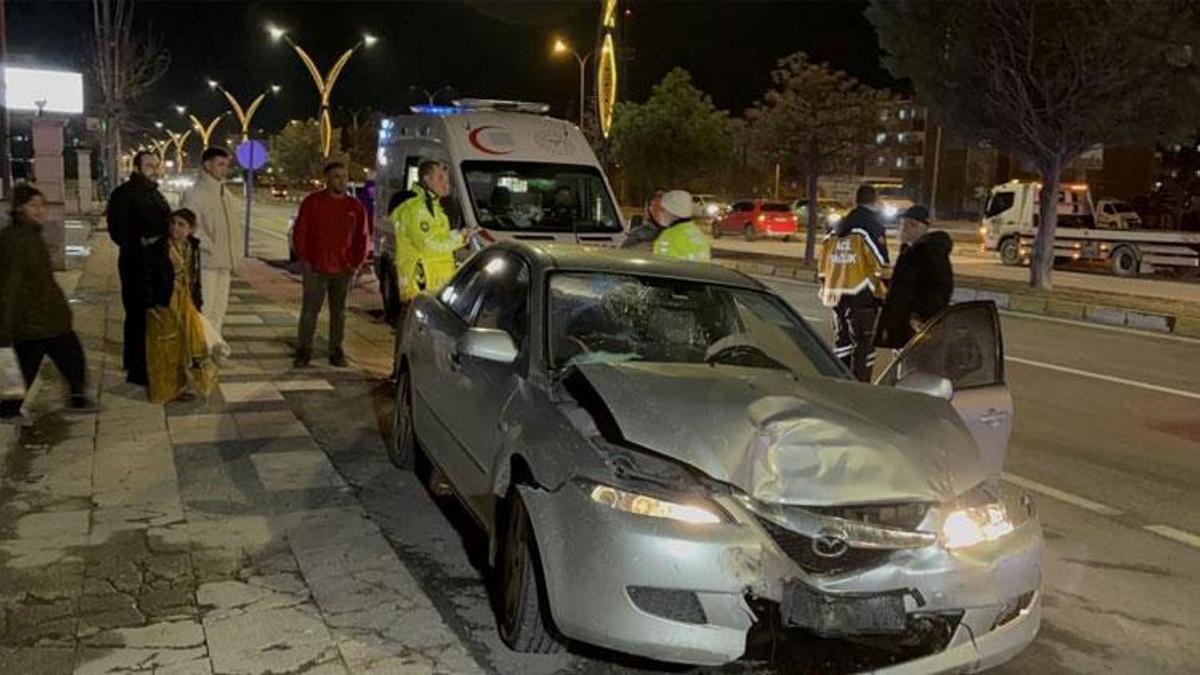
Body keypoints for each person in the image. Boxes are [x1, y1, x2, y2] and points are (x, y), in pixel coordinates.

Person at [0, 185, 95, 418]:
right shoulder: (16, 240)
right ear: (20, 207)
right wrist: (4, 328)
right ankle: (10, 408)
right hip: (34, 318)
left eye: (42, 205)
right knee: (53, 359)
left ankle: (75, 396)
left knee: (51, 361)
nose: (40, 210)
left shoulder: (30, 234)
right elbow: (10, 285)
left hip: (43, 315)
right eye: (34, 205)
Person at [292, 162, 370, 368]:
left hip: (343, 268)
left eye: (344, 176)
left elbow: (363, 237)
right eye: (336, 176)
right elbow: (300, 232)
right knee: (310, 310)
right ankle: (303, 350)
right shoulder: (312, 203)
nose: (342, 181)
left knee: (339, 311)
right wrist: (305, 260)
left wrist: (356, 263)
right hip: (315, 268)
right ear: (327, 179)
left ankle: (336, 350)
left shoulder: (355, 206)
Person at [105, 150, 171, 385]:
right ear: (136, 168)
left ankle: (135, 361)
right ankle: (138, 370)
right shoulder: (125, 194)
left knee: (146, 314)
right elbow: (117, 231)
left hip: (156, 262)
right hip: (136, 263)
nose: (154, 169)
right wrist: (142, 241)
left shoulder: (154, 193)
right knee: (138, 315)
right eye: (149, 165)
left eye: (156, 165)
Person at [817, 184, 890, 381]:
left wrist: (827, 286)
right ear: (874, 202)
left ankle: (841, 384)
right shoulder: (871, 227)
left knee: (842, 342)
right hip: (862, 296)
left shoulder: (835, 230)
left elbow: (822, 267)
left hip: (836, 296)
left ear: (856, 201)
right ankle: (861, 388)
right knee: (864, 344)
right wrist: (886, 292)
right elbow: (881, 264)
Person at [143, 209, 217, 403]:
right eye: (173, 223)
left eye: (181, 224)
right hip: (164, 303)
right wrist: (151, 304)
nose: (175, 228)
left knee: (184, 347)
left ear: (191, 229)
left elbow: (195, 277)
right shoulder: (158, 248)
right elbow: (147, 278)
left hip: (186, 302)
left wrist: (198, 302)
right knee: (163, 348)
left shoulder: (193, 247)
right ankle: (162, 391)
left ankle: (178, 388)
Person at [181, 147, 241, 355]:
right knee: (204, 310)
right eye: (220, 164)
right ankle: (201, 350)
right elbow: (190, 229)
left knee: (219, 309)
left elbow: (233, 228)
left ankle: (212, 349)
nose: (224, 169)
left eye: (226, 165)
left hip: (224, 261)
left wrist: (235, 255)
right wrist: (210, 247)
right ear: (207, 165)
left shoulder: (225, 193)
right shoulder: (195, 194)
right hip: (206, 262)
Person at [875, 205, 954, 349]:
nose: (901, 229)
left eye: (905, 224)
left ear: (916, 226)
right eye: (901, 224)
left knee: (913, 365)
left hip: (915, 326)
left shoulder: (930, 251)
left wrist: (921, 316)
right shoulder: (908, 249)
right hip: (902, 324)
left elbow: (940, 288)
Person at [391, 160, 462, 310]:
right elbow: (429, 246)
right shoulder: (417, 209)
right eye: (440, 178)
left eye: (447, 179)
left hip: (433, 288)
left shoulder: (435, 208)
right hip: (421, 288)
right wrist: (461, 238)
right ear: (427, 180)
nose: (446, 183)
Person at [622, 189, 710, 261]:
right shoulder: (697, 234)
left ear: (673, 212)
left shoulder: (669, 236)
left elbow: (660, 269)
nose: (660, 213)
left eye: (662, 210)